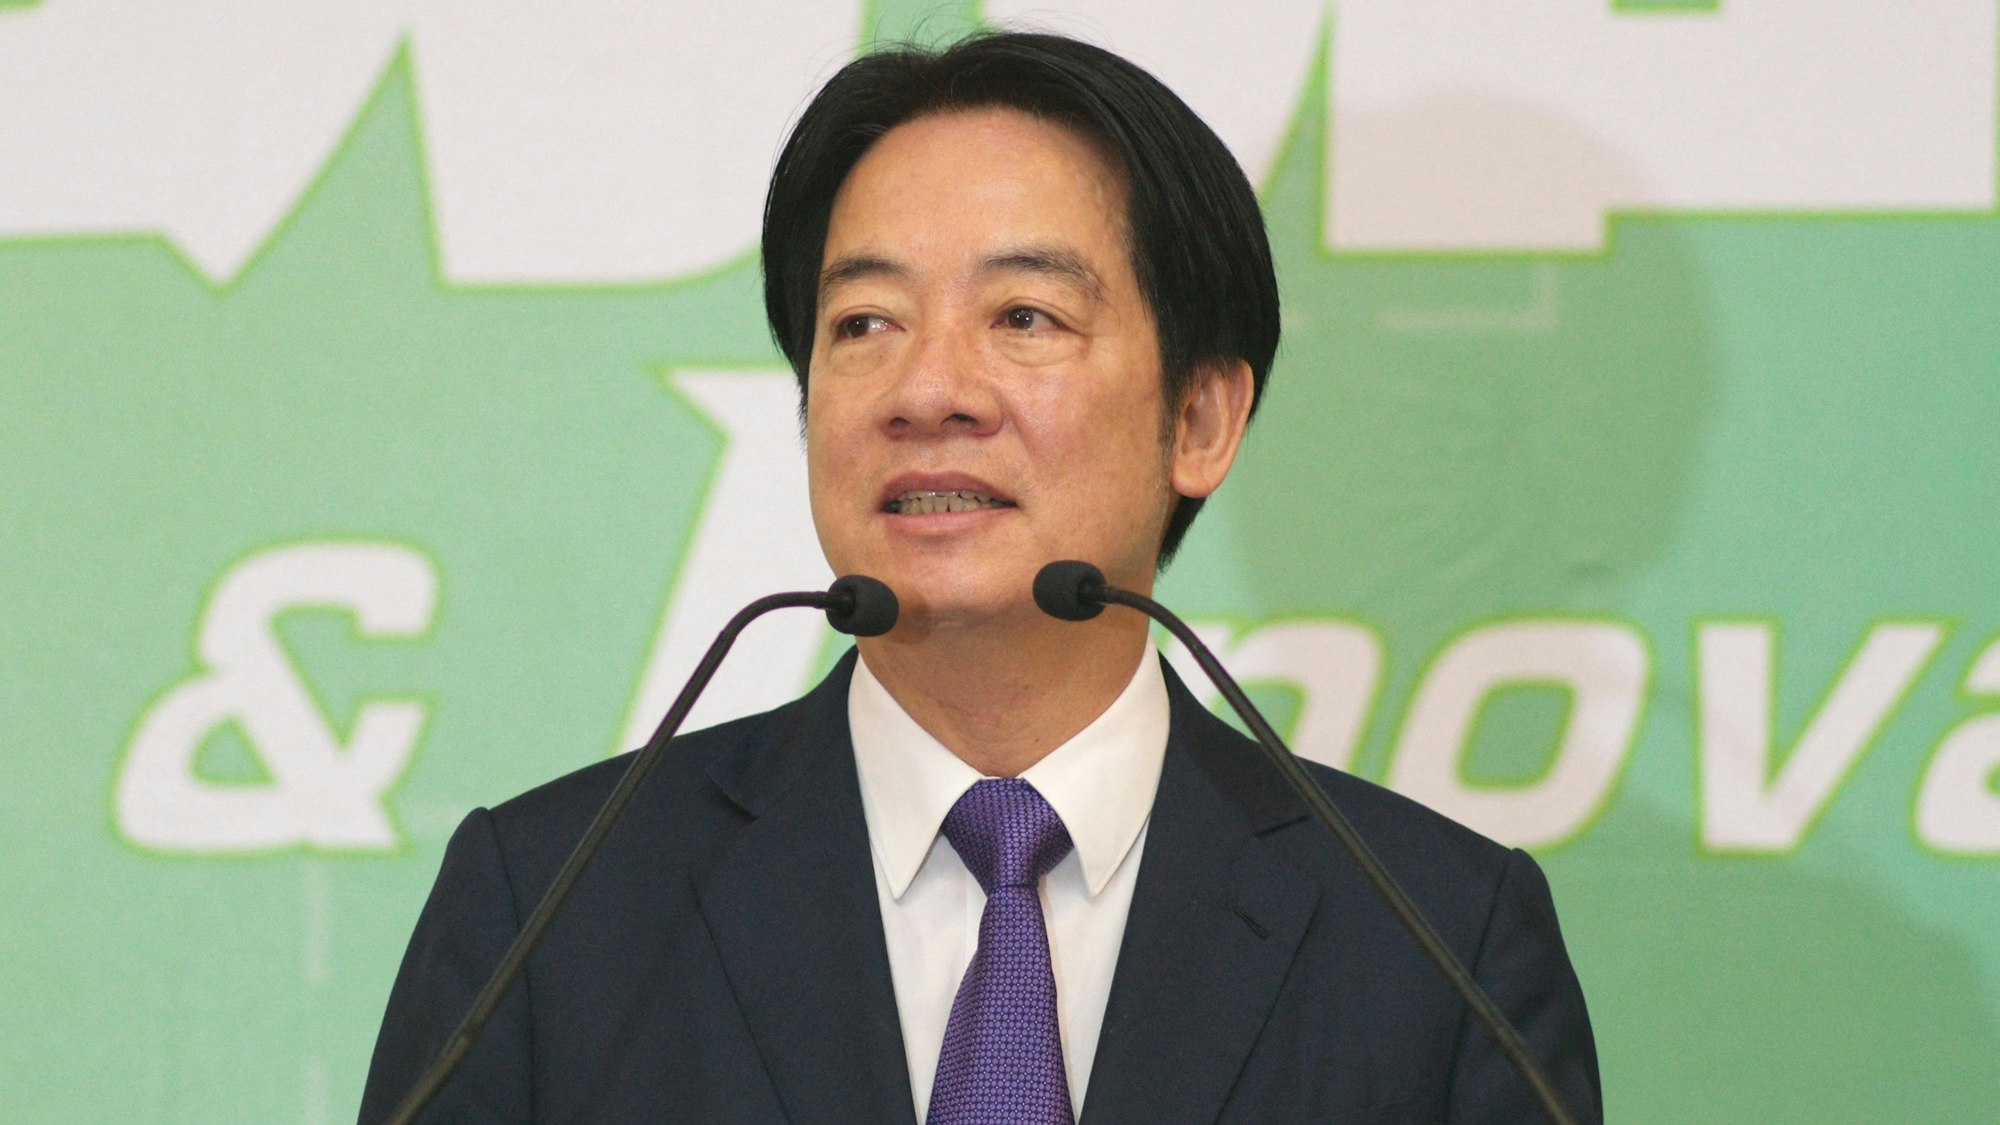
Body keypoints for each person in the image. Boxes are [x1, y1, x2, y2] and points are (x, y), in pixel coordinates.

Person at [359, 31, 1601, 1125]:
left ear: (1201, 420)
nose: (925, 390)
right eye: (862, 325)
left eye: (1022, 318)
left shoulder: (1433, 943)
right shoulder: (556, 911)